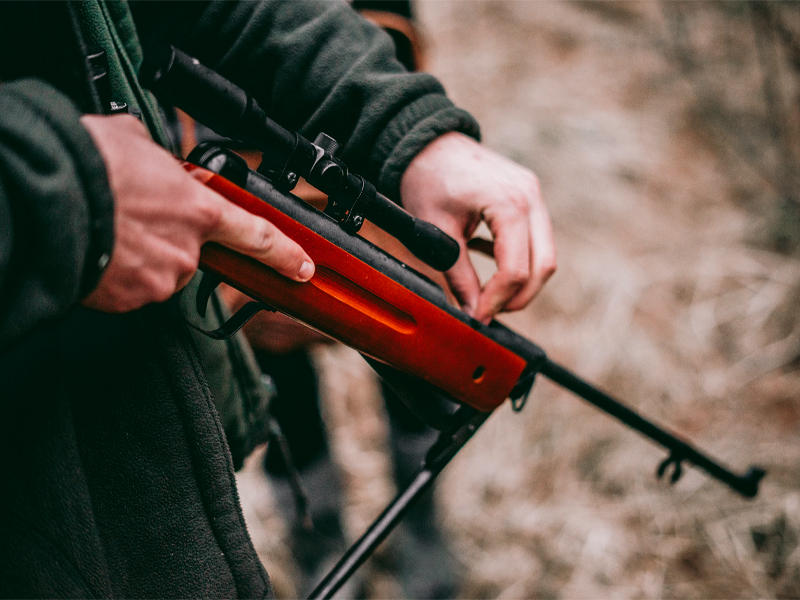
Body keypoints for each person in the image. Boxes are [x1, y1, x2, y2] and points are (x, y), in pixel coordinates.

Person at [0, 1, 555, 598]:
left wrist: (408, 128)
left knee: (425, 320)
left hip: (325, 92)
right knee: (277, 334)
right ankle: (316, 533)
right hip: (197, 168)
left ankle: (418, 517)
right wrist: (62, 194)